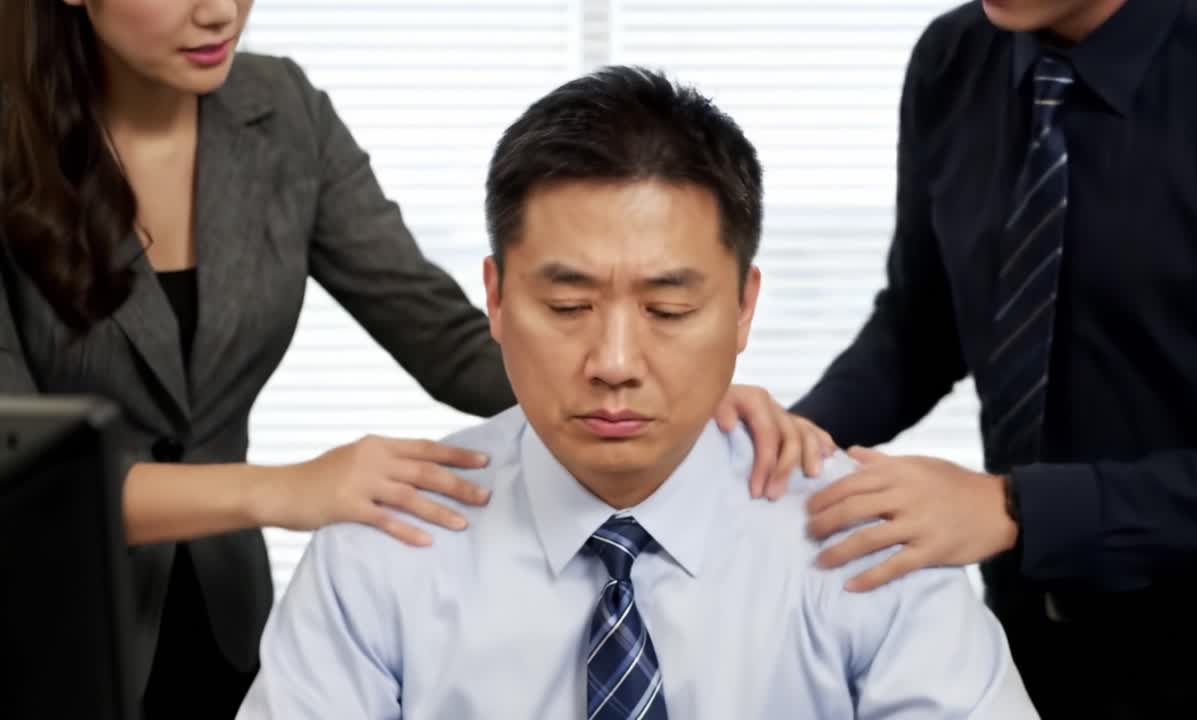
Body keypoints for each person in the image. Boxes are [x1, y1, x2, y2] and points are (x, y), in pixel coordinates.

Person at [0, 2, 830, 717]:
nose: (220, 12)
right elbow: (20, 470)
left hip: (214, 613)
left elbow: (445, 333)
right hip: (42, 618)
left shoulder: (280, 114)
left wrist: (656, 386)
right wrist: (284, 489)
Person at [236, 64, 1038, 720]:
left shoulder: (864, 541)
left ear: (744, 306)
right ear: (497, 297)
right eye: (568, 307)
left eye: (668, 309)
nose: (615, 361)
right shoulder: (381, 547)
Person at [788, 0, 1197, 717]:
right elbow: (922, 328)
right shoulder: (952, 60)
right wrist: (787, 435)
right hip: (1021, 646)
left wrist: (1015, 507)